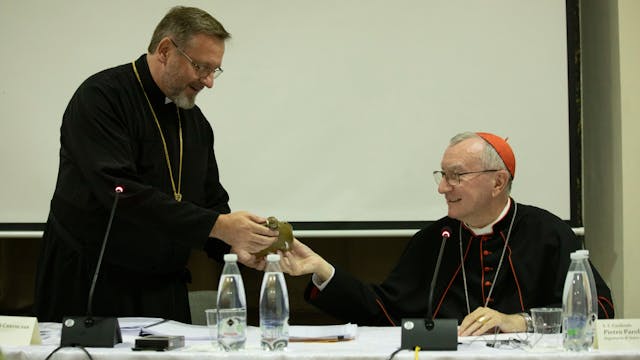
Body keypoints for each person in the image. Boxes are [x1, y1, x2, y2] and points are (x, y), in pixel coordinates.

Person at [34, 6, 277, 323]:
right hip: (91, 283)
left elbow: (211, 200)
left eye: (214, 70)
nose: (208, 81)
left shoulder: (195, 122)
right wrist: (220, 226)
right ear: (165, 50)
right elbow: (120, 191)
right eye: (201, 67)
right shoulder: (101, 98)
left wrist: (242, 247)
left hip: (162, 290)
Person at [280, 131, 615, 336]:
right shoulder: (434, 240)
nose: (442, 187)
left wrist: (520, 322)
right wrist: (322, 270)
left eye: (456, 176)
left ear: (498, 182)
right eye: (442, 175)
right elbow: (384, 312)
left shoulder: (549, 234)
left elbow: (597, 309)